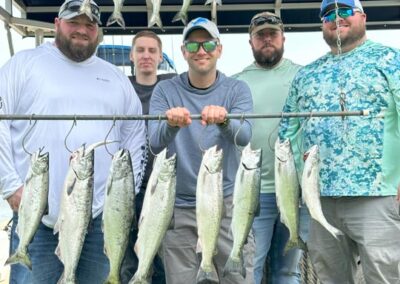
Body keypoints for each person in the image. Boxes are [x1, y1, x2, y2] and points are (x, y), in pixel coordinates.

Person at [0, 0, 147, 283]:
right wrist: (9, 185)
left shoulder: (116, 78)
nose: (81, 30)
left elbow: (135, 136)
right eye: (74, 23)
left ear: (98, 31)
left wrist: (125, 194)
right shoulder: (24, 64)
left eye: (89, 25)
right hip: (37, 218)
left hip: (100, 220)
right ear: (57, 24)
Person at [278, 0, 400, 283]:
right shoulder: (305, 75)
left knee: (384, 277)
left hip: (379, 196)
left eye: (344, 11)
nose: (336, 18)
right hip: (319, 201)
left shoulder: (391, 60)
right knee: (331, 277)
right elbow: (287, 135)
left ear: (363, 17)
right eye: (328, 14)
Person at [148, 17, 255, 284]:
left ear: (219, 49)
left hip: (228, 204)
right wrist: (170, 125)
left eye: (207, 44)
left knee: (238, 278)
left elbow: (244, 136)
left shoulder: (237, 89)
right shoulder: (165, 90)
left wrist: (226, 119)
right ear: (183, 52)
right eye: (193, 46)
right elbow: (154, 143)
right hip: (177, 207)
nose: (201, 51)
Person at [232, 12, 310, 284]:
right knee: (249, 268)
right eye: (260, 35)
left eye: (272, 34)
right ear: (250, 42)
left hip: (297, 191)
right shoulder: (236, 81)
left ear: (283, 38)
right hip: (254, 193)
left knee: (288, 271)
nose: (267, 40)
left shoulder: (303, 75)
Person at [120, 30, 175, 284]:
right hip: (126, 186)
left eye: (152, 51)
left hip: (163, 186)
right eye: (140, 50)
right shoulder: (121, 88)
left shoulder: (173, 88)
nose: (146, 56)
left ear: (160, 57)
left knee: (163, 260)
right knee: (127, 261)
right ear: (131, 55)